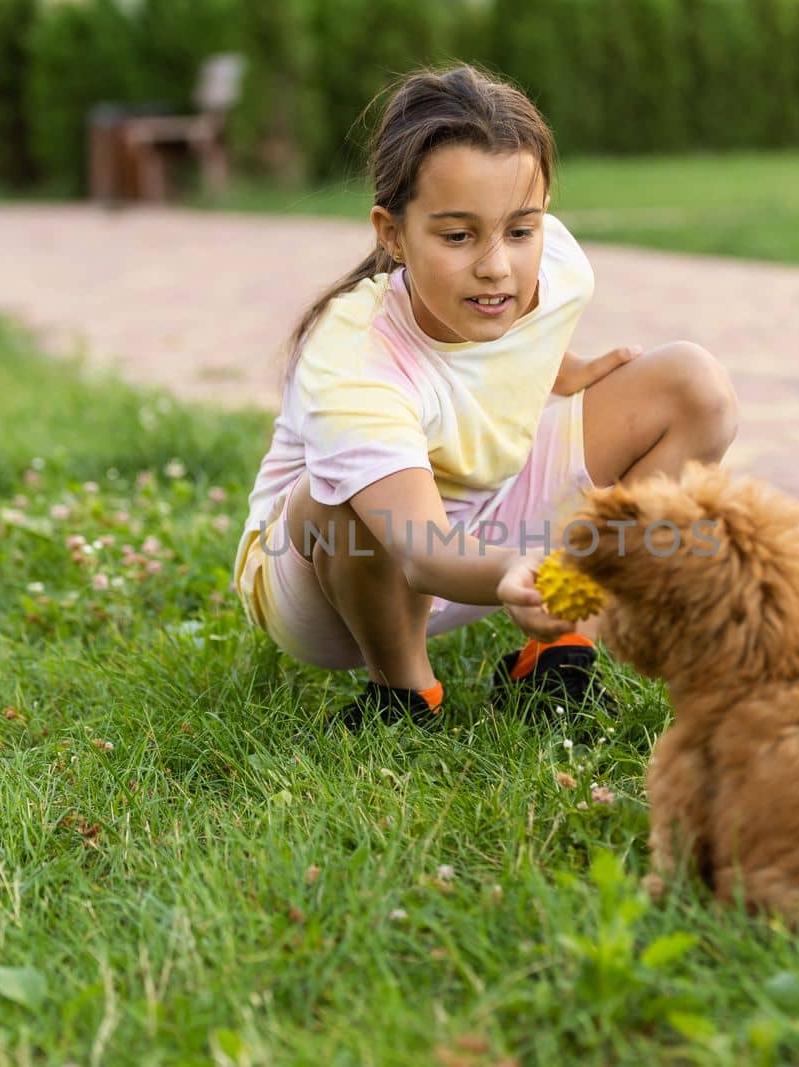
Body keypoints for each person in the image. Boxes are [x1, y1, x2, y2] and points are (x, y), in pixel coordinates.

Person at [232, 65, 738, 726]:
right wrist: (519, 563)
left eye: (520, 229)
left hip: (490, 535)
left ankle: (554, 659)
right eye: (458, 236)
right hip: (339, 579)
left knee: (694, 385)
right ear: (392, 234)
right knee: (341, 497)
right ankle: (404, 694)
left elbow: (512, 340)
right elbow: (421, 550)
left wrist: (560, 368)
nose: (497, 265)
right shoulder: (352, 357)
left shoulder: (554, 266)